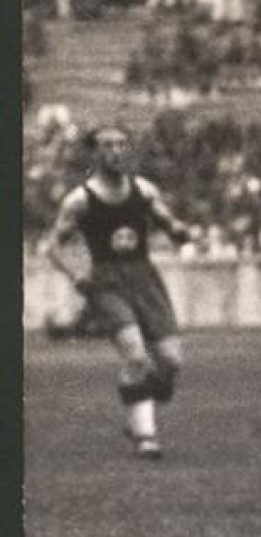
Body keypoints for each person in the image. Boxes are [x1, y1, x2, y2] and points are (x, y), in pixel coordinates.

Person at [40, 125, 195, 459]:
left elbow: (169, 221)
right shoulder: (81, 199)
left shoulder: (144, 190)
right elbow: (52, 247)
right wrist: (76, 275)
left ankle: (135, 400)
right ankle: (146, 437)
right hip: (106, 281)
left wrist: (180, 232)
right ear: (94, 154)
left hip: (145, 278)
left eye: (121, 144)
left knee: (170, 360)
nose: (115, 151)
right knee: (136, 356)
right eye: (107, 145)